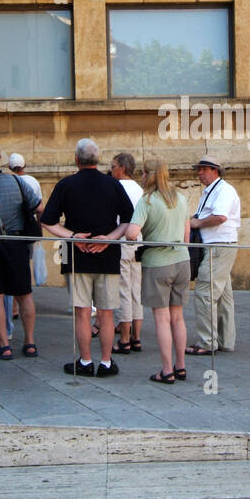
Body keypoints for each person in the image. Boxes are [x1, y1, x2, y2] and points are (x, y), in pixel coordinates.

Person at [40, 138, 135, 378]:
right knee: (106, 312)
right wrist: (110, 239)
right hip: (107, 256)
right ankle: (105, 362)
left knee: (82, 312)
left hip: (76, 255)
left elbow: (47, 220)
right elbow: (128, 220)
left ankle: (84, 361)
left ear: (76, 159)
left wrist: (72, 236)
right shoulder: (113, 185)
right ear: (98, 159)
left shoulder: (66, 184)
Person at [125, 158, 190, 384]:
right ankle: (180, 365)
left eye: (142, 173)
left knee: (162, 320)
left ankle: (166, 370)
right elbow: (186, 231)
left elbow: (132, 232)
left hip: (157, 262)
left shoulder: (147, 200)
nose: (141, 177)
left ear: (148, 175)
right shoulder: (180, 198)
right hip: (182, 260)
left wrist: (134, 235)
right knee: (178, 318)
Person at [0, 141, 39, 359]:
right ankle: (30, 342)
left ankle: (4, 345)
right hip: (17, 242)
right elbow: (39, 207)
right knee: (25, 295)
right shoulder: (17, 182)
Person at [187, 156, 241, 356]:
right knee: (224, 296)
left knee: (205, 291)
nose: (199, 173)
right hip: (217, 246)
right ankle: (225, 340)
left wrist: (196, 223)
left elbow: (220, 217)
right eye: (198, 169)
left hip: (218, 246)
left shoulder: (223, 190)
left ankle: (207, 342)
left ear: (215, 170)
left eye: (203, 169)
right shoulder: (211, 191)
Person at [111, 152, 144, 354]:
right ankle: (136, 337)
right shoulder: (140, 189)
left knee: (123, 289)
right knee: (136, 290)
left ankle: (124, 338)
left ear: (122, 167)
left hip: (122, 240)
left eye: (113, 166)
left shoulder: (117, 188)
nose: (111, 170)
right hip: (138, 241)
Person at [9, 152, 47, 300]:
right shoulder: (33, 181)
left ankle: (14, 304)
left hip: (13, 228)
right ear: (24, 166)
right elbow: (40, 209)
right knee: (26, 261)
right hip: (29, 227)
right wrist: (39, 229)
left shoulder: (9, 180)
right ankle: (24, 295)